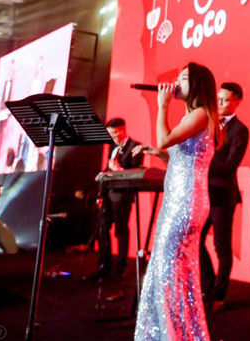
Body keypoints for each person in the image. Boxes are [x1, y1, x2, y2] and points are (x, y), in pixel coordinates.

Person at [135, 62, 222, 341]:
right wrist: (157, 153)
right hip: (177, 198)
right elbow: (179, 157)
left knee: (168, 268)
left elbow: (164, 139)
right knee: (174, 270)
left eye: (184, 78)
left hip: (186, 201)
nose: (176, 82)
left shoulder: (201, 114)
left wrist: (162, 105)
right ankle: (174, 333)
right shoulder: (193, 116)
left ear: (197, 85)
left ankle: (172, 334)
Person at [200, 82, 249, 313]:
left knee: (221, 247)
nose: (219, 103)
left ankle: (219, 295)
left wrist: (202, 164)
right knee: (195, 240)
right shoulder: (207, 125)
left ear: (237, 101)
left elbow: (230, 165)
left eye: (225, 99)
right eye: (218, 99)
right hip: (203, 192)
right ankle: (209, 285)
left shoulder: (240, 130)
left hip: (223, 195)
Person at [89, 118, 144, 280]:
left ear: (122, 130)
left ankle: (121, 266)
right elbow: (109, 167)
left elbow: (136, 172)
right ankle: (104, 265)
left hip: (122, 195)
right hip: (107, 193)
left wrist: (118, 170)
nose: (112, 137)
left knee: (120, 230)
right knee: (102, 228)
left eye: (114, 133)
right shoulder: (112, 146)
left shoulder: (135, 147)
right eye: (109, 134)